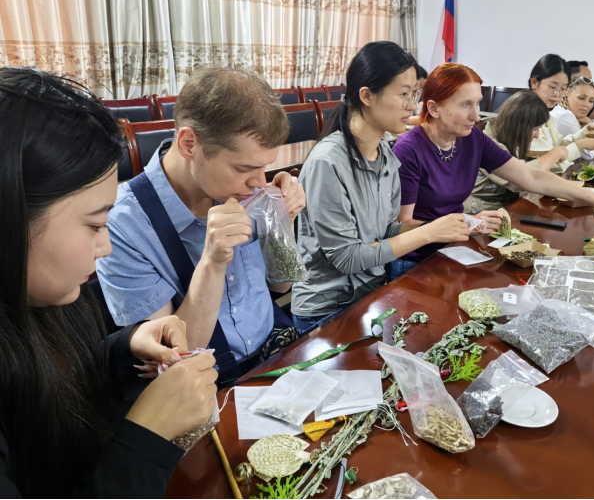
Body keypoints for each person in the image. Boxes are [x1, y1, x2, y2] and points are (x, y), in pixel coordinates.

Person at [0, 67, 218, 498]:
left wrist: (126, 349)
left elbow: (49, 382)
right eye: (94, 225)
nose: (106, 247)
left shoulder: (42, 300)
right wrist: (148, 437)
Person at [97, 67, 306, 380]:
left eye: (264, 168)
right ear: (189, 144)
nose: (258, 182)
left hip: (276, 351)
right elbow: (174, 358)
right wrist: (213, 262)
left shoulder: (243, 190)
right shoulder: (124, 226)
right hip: (205, 381)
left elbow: (281, 285)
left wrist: (282, 218)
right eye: (243, 168)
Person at [291, 42, 473, 335]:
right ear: (366, 96)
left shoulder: (384, 153)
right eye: (404, 94)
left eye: (414, 94)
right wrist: (427, 234)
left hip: (370, 296)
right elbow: (347, 258)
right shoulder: (328, 162)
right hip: (329, 309)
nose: (412, 106)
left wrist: (439, 228)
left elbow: (384, 230)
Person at [392, 61, 594, 248]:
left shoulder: (472, 138)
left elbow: (532, 177)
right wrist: (468, 223)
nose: (475, 115)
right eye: (465, 105)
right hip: (417, 258)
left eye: (477, 103)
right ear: (434, 108)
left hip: (456, 244)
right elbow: (404, 224)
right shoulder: (409, 150)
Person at [473, 91, 570, 213]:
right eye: (535, 129)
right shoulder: (489, 144)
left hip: (506, 208)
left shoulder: (511, 140)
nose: (537, 135)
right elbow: (523, 179)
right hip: (481, 213)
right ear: (519, 127)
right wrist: (555, 154)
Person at [528, 54, 594, 172]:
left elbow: (558, 144)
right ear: (534, 83)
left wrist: (584, 132)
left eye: (563, 88)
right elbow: (544, 163)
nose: (557, 94)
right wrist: (580, 145)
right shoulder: (524, 113)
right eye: (552, 86)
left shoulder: (547, 114)